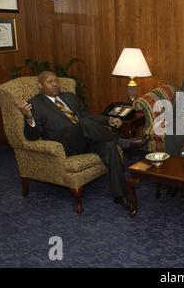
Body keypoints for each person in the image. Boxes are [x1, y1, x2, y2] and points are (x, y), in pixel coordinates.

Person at [16, 71, 149, 216]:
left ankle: (121, 195)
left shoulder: (69, 97)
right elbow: (32, 136)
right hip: (65, 143)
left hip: (85, 138)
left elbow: (88, 117)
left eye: (56, 81)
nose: (55, 84)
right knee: (83, 124)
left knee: (109, 146)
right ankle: (123, 143)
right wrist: (28, 117)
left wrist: (109, 120)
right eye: (50, 82)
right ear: (40, 85)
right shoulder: (34, 104)